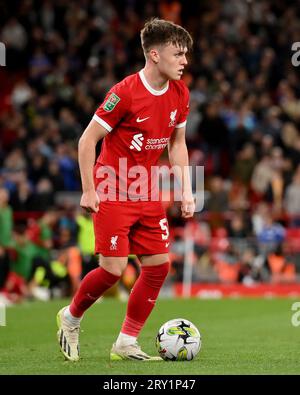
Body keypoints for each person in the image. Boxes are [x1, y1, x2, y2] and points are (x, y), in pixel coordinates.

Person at [56, 18, 195, 362]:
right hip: (112, 187)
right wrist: (88, 190)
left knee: (159, 266)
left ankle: (125, 342)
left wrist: (186, 190)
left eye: (186, 54)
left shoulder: (181, 92)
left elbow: (177, 144)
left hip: (145, 188)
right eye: (178, 54)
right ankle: (70, 318)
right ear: (154, 54)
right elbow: (87, 140)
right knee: (113, 271)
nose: (185, 61)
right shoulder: (125, 92)